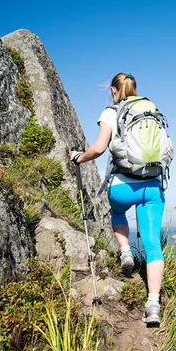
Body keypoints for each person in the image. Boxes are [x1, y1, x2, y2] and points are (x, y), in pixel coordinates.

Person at [69, 72, 165, 326]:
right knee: (153, 245)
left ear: (114, 90)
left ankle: (125, 253)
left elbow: (99, 148)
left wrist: (79, 157)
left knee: (118, 212)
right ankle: (153, 305)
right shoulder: (150, 109)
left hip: (123, 185)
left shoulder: (111, 112)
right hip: (153, 186)